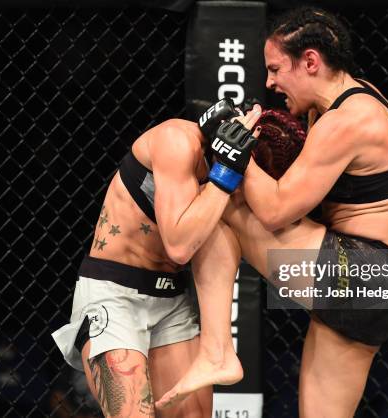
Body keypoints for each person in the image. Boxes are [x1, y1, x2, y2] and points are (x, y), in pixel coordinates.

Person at [157, 6, 388, 417]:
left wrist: (234, 150)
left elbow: (275, 211)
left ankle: (216, 350)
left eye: (277, 69)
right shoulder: (352, 100)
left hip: (355, 271)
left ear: (311, 61)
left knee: (219, 203)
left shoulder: (349, 120)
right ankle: (216, 351)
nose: (270, 82)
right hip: (380, 286)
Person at [52, 99, 262, 418]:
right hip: (115, 294)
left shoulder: (241, 175)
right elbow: (179, 246)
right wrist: (227, 172)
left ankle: (218, 353)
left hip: (171, 300)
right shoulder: (176, 140)